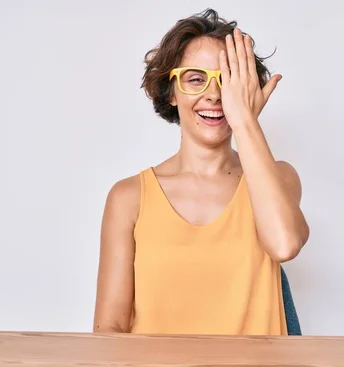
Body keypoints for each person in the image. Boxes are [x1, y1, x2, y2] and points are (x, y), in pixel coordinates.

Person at [92, 8, 309, 336]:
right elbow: (110, 328)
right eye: (195, 79)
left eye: (228, 81)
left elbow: (284, 244)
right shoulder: (128, 198)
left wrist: (245, 120)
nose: (214, 94)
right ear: (171, 92)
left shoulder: (278, 179)